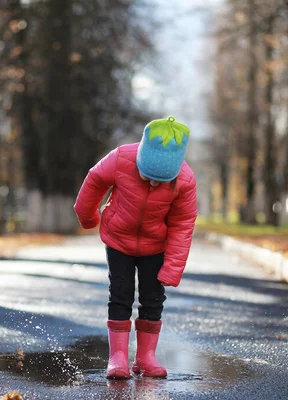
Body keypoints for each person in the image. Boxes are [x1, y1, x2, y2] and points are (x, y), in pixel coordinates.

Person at [73, 116, 198, 379]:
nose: (153, 184)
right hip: (118, 239)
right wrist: (88, 217)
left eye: (161, 180)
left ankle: (145, 357)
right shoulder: (121, 158)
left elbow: (183, 224)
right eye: (148, 176)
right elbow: (94, 180)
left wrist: (172, 268)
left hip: (156, 246)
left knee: (153, 299)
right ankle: (117, 358)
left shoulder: (185, 180)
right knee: (120, 294)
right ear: (140, 157)